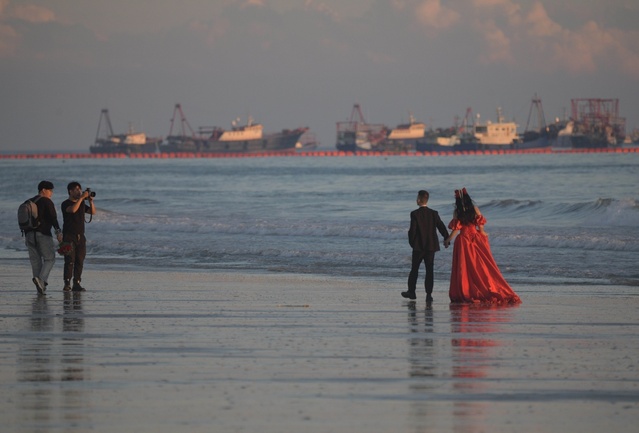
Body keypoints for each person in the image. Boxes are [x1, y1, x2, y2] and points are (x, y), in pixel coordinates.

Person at [444, 188, 521, 304]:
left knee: (464, 268)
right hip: (475, 238)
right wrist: (483, 234)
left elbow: (456, 230)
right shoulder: (475, 209)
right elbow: (480, 225)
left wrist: (447, 240)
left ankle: (468, 290)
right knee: (481, 265)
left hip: (463, 240)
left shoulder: (457, 212)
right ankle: (485, 286)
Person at [402, 190, 450, 302]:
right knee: (429, 270)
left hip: (418, 247)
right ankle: (429, 295)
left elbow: (412, 231)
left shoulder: (415, 214)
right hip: (431, 246)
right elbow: (441, 226)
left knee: (414, 269)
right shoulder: (434, 213)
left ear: (419, 200)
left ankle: (412, 292)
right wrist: (446, 238)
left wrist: (412, 243)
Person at [24, 181, 64, 294]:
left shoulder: (28, 201)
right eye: (50, 190)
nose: (51, 193)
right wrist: (58, 232)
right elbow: (53, 217)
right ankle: (41, 281)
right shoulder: (46, 201)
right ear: (43, 190)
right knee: (50, 258)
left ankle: (40, 288)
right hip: (43, 234)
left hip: (29, 235)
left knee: (35, 261)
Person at [61, 182, 96, 292]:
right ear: (70, 191)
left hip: (81, 236)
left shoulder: (81, 203)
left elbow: (92, 212)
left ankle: (77, 283)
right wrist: (81, 198)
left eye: (80, 190)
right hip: (68, 236)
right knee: (69, 260)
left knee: (80, 260)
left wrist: (90, 202)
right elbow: (72, 210)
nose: (79, 191)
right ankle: (67, 283)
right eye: (76, 189)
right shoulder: (65, 203)